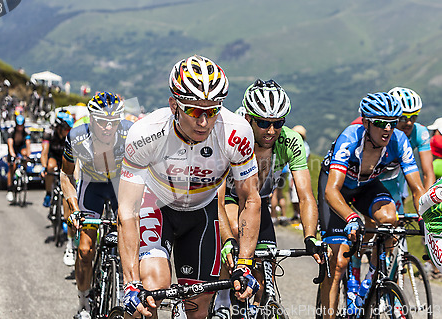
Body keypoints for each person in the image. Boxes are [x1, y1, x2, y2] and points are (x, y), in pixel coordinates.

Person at [117, 55, 261, 319]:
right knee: (151, 291)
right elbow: (127, 209)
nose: (204, 121)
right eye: (194, 111)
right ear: (174, 105)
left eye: (212, 110)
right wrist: (130, 282)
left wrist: (244, 263)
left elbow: (250, 198)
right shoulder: (147, 133)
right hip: (156, 206)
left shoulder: (236, 133)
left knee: (199, 306)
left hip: (201, 213)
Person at [216, 80, 321, 316]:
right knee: (234, 234)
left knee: (266, 270)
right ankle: (222, 301)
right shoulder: (232, 137)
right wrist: (226, 240)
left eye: (278, 123)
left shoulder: (290, 141)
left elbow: (305, 196)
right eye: (263, 123)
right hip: (231, 200)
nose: (271, 131)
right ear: (249, 119)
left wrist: (310, 236)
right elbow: (218, 199)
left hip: (259, 204)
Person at [317, 92, 426, 319]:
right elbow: (331, 191)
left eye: (392, 123)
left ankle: (371, 278)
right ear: (366, 122)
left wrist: (428, 221)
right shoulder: (350, 138)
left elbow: (417, 189)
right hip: (336, 189)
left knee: (390, 220)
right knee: (337, 263)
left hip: (366, 186)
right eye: (379, 123)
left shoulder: (399, 141)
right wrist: (351, 217)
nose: (387, 129)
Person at [62, 91, 132, 318]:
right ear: (91, 119)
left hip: (119, 185)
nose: (107, 127)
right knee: (84, 250)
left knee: (131, 243)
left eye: (113, 122)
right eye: (102, 121)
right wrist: (73, 209)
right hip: (91, 187)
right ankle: (83, 303)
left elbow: (146, 172)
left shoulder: (130, 133)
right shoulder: (76, 137)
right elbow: (66, 175)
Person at [379, 87, 435, 215]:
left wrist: (427, 204)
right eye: (403, 118)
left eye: (413, 117)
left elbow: (428, 172)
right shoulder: (381, 133)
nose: (409, 123)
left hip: (396, 178)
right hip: (371, 178)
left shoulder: (420, 133)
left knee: (397, 225)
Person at [41, 111, 74, 208]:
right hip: (53, 156)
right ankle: (48, 194)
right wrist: (44, 167)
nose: (69, 131)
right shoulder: (49, 133)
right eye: (67, 129)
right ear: (59, 127)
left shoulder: (71, 135)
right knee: (51, 166)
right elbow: (44, 152)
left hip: (65, 158)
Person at [288, 124, 311, 223]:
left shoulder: (299, 146)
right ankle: (298, 216)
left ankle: (299, 217)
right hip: (300, 173)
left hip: (296, 174)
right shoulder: (306, 146)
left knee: (296, 197)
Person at [6, 115, 31, 202]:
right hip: (13, 148)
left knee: (25, 156)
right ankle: (9, 189)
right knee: (11, 167)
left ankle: (24, 171)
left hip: (21, 148)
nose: (20, 127)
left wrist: (28, 155)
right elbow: (10, 144)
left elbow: (28, 144)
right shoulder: (11, 131)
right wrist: (13, 155)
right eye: (18, 125)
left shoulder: (26, 131)